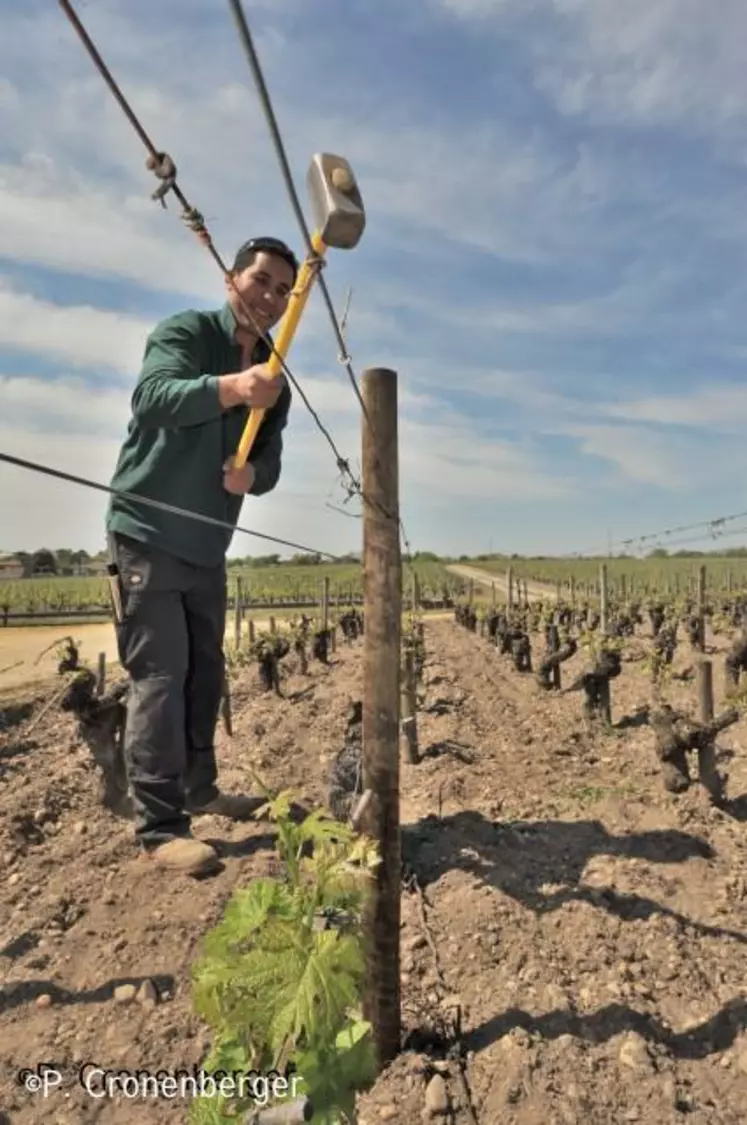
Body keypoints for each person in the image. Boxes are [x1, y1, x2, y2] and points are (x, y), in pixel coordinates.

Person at [105, 236, 298, 875]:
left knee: (204, 675)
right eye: (261, 280)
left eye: (281, 290)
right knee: (159, 680)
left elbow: (267, 459)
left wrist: (253, 479)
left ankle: (199, 790)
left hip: (207, 544)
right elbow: (153, 398)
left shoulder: (277, 377)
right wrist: (233, 387)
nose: (269, 298)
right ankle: (160, 829)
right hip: (147, 533)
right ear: (231, 279)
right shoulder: (185, 333)